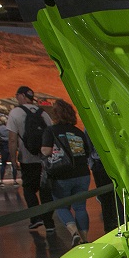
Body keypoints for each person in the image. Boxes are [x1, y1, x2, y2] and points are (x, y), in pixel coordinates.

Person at [40, 99, 93, 246]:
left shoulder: (51, 130)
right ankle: (85, 238)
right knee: (80, 207)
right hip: (82, 173)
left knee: (61, 205)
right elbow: (87, 151)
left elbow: (46, 151)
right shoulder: (78, 132)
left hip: (62, 175)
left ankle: (74, 233)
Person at [6, 86, 55, 235]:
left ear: (21, 96)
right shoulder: (43, 113)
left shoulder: (15, 113)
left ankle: (35, 218)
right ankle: (49, 222)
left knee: (29, 189)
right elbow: (51, 135)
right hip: (44, 159)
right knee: (45, 191)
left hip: (27, 159)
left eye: (17, 95)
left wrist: (13, 159)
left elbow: (12, 139)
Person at [85, 131, 119, 233]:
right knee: (109, 197)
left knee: (110, 197)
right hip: (103, 163)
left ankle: (113, 226)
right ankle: (112, 226)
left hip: (104, 163)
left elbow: (88, 147)